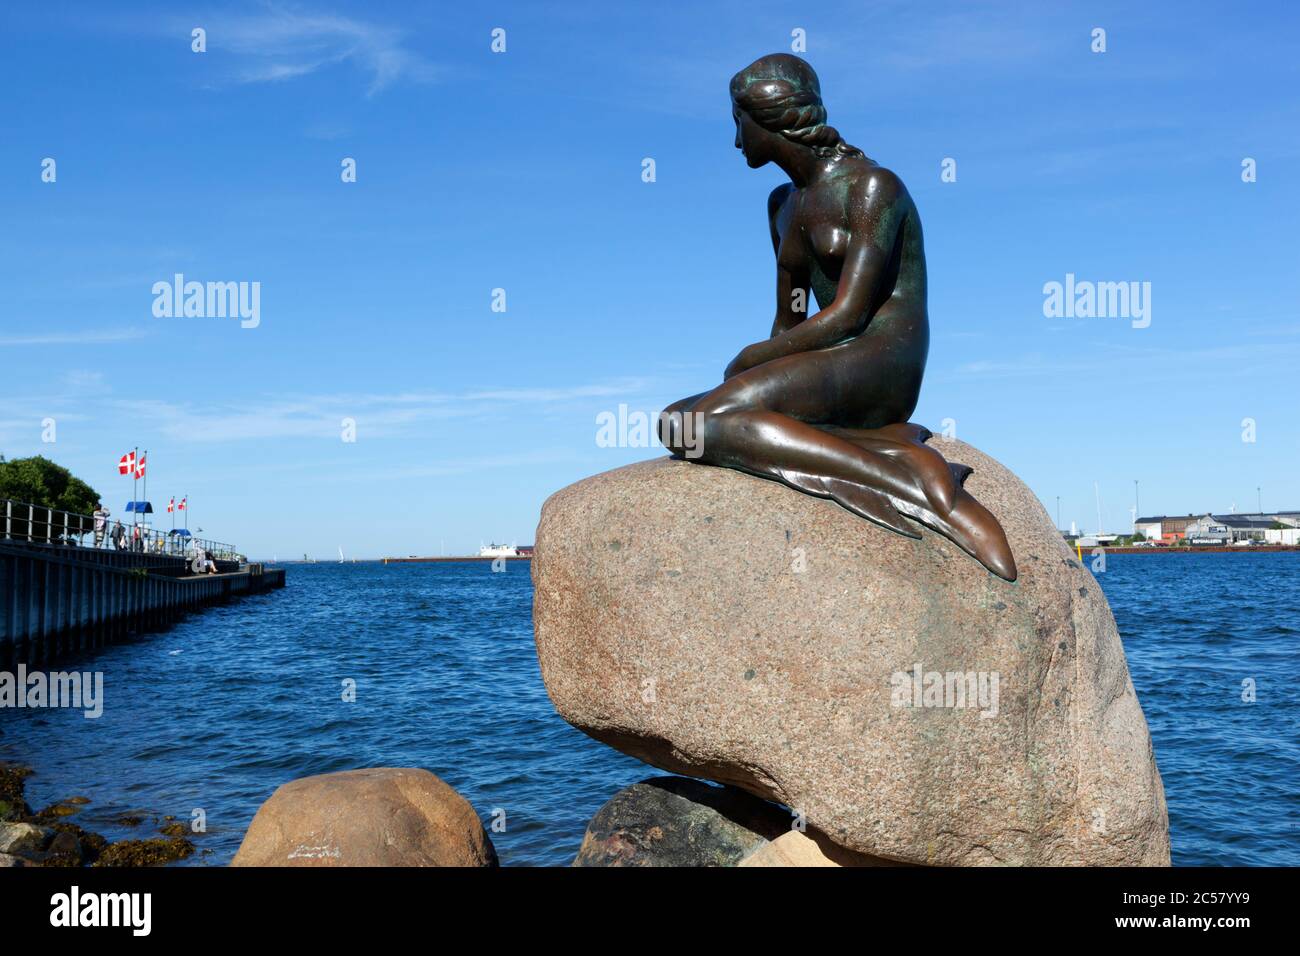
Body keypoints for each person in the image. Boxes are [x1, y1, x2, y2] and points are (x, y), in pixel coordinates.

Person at [657, 54, 1015, 581]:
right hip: (830, 357)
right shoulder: (782, 204)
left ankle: (910, 485)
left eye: (738, 123)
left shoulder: (873, 187)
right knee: (676, 423)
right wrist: (755, 375)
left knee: (705, 421)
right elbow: (791, 319)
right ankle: (882, 453)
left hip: (881, 359)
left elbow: (848, 313)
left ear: (770, 117)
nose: (736, 141)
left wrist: (749, 361)